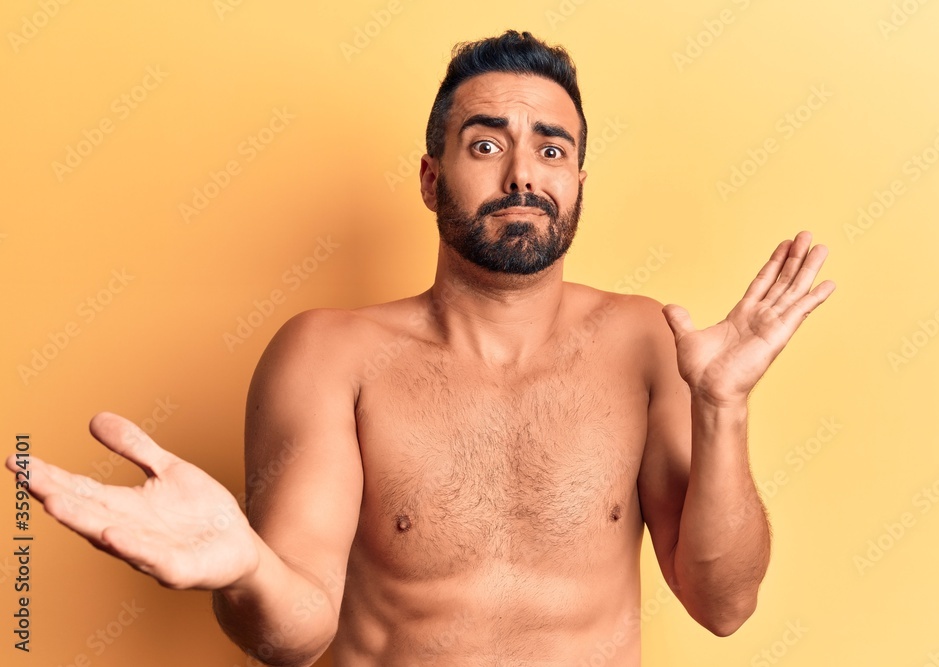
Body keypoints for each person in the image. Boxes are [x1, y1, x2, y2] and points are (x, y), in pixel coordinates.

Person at [6, 30, 834, 666]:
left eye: (552, 148)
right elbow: (295, 634)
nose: (522, 173)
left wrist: (722, 408)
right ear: (433, 178)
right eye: (485, 143)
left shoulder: (650, 344)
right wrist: (245, 570)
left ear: (578, 182)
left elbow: (723, 604)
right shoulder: (329, 356)